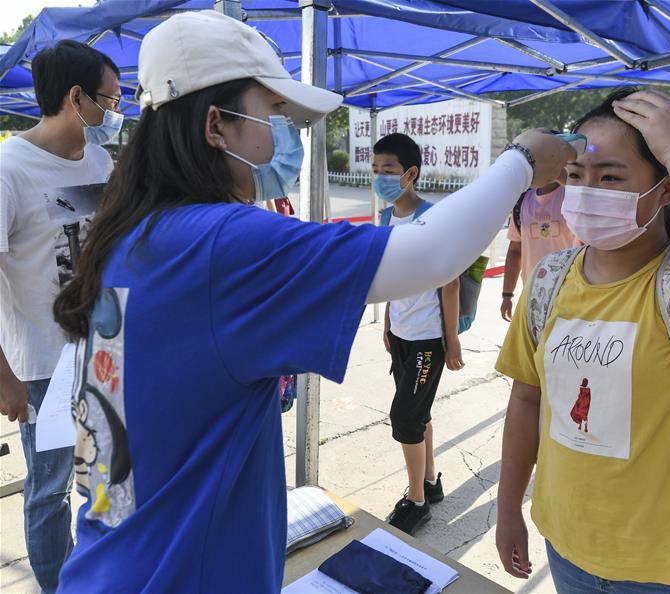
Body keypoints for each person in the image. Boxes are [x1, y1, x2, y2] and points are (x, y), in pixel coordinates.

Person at [49, 11, 574, 593]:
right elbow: (429, 254)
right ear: (217, 124)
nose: (279, 137)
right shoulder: (223, 244)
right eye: (272, 115)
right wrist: (523, 158)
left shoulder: (131, 234)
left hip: (110, 563)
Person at [494, 88, 670, 593]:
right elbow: (526, 398)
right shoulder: (550, 280)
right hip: (567, 545)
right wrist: (508, 509)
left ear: (666, 190)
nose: (585, 192)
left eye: (610, 177)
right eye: (576, 176)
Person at [0, 40, 121, 593]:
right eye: (109, 101)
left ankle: (96, 578)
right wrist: (4, 377)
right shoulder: (9, 169)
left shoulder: (99, 160)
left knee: (104, 480)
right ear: (76, 99)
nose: (114, 113)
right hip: (42, 366)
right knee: (48, 491)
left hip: (102, 353)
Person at [372, 133, 464, 535]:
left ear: (410, 173)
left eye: (387, 171)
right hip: (403, 334)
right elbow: (393, 276)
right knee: (418, 412)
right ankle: (429, 480)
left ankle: (416, 501)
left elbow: (451, 282)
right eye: (374, 170)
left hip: (428, 339)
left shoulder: (433, 218)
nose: (379, 178)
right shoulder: (385, 218)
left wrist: (452, 339)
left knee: (405, 418)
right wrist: (390, 322)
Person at [500, 178, 578, 321]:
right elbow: (515, 250)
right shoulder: (522, 202)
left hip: (569, 296)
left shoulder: (573, 196)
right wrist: (507, 295)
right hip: (532, 296)